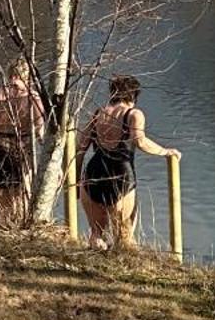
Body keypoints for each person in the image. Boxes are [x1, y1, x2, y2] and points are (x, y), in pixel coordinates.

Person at [75, 74, 177, 249]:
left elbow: (81, 147)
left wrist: (77, 180)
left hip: (93, 173)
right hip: (120, 176)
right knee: (124, 235)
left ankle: (96, 263)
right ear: (134, 95)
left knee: (96, 234)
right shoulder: (134, 114)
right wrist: (166, 152)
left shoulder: (98, 113)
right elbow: (140, 141)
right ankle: (122, 266)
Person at [0, 56, 47, 226]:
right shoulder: (34, 99)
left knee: (0, 203)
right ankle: (18, 237)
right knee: (21, 204)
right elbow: (40, 134)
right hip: (22, 151)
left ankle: (2, 232)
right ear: (28, 76)